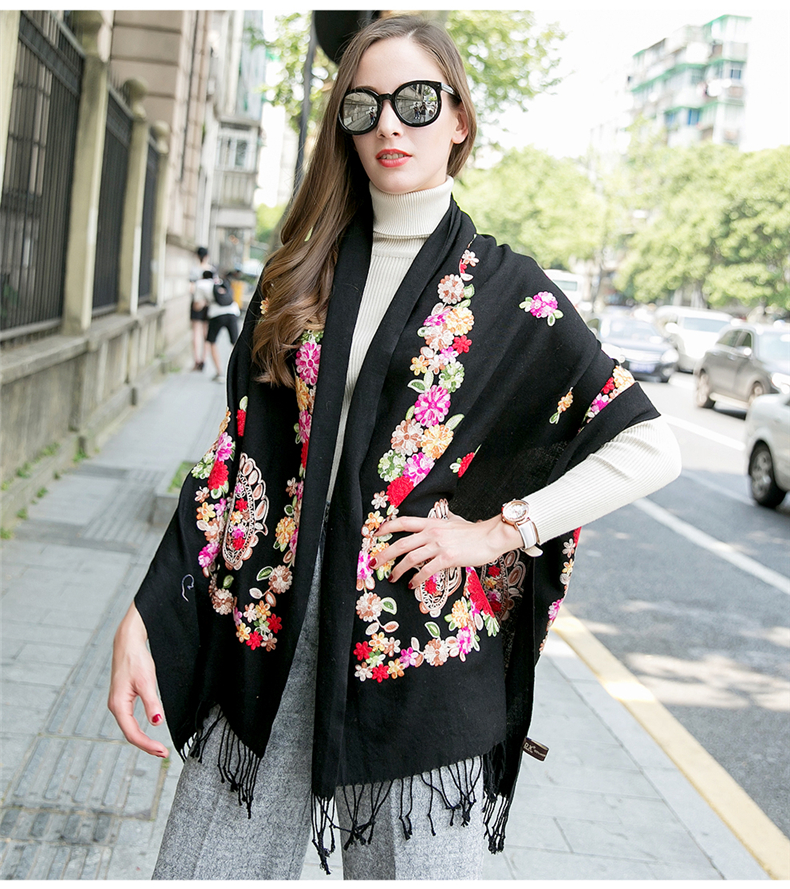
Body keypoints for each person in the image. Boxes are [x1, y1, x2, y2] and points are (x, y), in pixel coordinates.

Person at [109, 15, 681, 881]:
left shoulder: (509, 290)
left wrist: (498, 531)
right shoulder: (301, 271)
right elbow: (237, 458)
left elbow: (649, 443)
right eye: (364, 105)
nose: (389, 123)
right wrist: (148, 613)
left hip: (415, 655)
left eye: (416, 101)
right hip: (273, 634)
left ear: (458, 118)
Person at [205, 270, 241, 383]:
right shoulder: (226, 283)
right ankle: (238, 372)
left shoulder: (206, 285)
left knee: (212, 341)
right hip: (232, 313)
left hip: (216, 315)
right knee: (235, 343)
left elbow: (198, 304)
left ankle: (219, 373)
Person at [189, 246, 213, 371]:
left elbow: (191, 289)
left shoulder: (194, 270)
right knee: (206, 333)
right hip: (208, 304)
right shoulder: (212, 270)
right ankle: (204, 359)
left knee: (196, 332)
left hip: (197, 303)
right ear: (207, 256)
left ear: (197, 256)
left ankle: (196, 360)